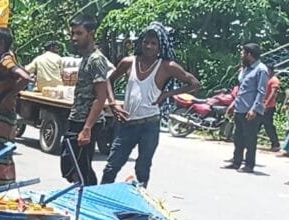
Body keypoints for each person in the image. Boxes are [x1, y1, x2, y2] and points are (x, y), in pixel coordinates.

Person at [102, 22, 200, 186]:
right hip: (127, 123)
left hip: (150, 124)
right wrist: (113, 104)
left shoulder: (166, 66)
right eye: (146, 42)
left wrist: (167, 94)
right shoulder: (129, 62)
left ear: (160, 46)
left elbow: (194, 84)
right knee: (112, 167)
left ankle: (140, 204)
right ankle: (101, 201)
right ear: (140, 42)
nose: (148, 46)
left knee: (142, 169)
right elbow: (109, 80)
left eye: (153, 43)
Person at [60, 15, 115, 186]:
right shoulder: (86, 58)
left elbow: (101, 97)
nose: (74, 38)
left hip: (86, 121)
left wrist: (87, 128)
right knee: (71, 166)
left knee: (79, 167)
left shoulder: (96, 60)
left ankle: (88, 198)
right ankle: (84, 194)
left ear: (90, 34)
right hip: (77, 118)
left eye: (79, 33)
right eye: (73, 34)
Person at [0, 27, 31, 187]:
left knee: (0, 156)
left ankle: (3, 190)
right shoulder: (4, 59)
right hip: (0, 114)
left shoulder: (6, 61)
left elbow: (25, 77)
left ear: (1, 42)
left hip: (2, 117)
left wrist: (10, 96)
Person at [222, 43, 269, 173]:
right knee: (238, 138)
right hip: (240, 109)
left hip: (251, 111)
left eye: (243, 53)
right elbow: (242, 90)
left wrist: (254, 109)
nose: (241, 55)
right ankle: (236, 162)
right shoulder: (246, 69)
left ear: (249, 54)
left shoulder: (261, 69)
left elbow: (261, 92)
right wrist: (233, 104)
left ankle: (249, 165)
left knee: (250, 139)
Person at [262, 66, 282, 152]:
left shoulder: (274, 80)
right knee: (259, 124)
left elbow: (273, 93)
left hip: (269, 107)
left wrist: (266, 104)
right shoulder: (267, 79)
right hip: (263, 106)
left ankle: (276, 143)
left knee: (268, 126)